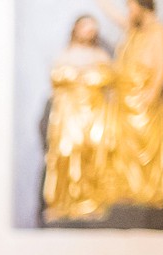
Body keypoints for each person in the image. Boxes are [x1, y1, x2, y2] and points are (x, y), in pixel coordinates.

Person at [97, 0, 163, 208]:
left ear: (142, 6)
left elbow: (161, 67)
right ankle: (127, 191)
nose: (128, 12)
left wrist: (152, 92)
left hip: (142, 101)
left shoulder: (158, 32)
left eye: (131, 7)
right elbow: (116, 17)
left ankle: (145, 193)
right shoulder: (135, 30)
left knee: (142, 150)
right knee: (123, 150)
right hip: (124, 101)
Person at [42, 14, 115, 222]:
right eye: (85, 27)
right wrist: (76, 76)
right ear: (76, 29)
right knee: (66, 153)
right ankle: (62, 203)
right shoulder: (65, 54)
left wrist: (87, 78)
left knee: (92, 153)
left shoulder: (100, 55)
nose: (88, 31)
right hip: (68, 113)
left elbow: (108, 78)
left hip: (93, 113)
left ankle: (90, 202)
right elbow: (56, 79)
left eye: (92, 28)